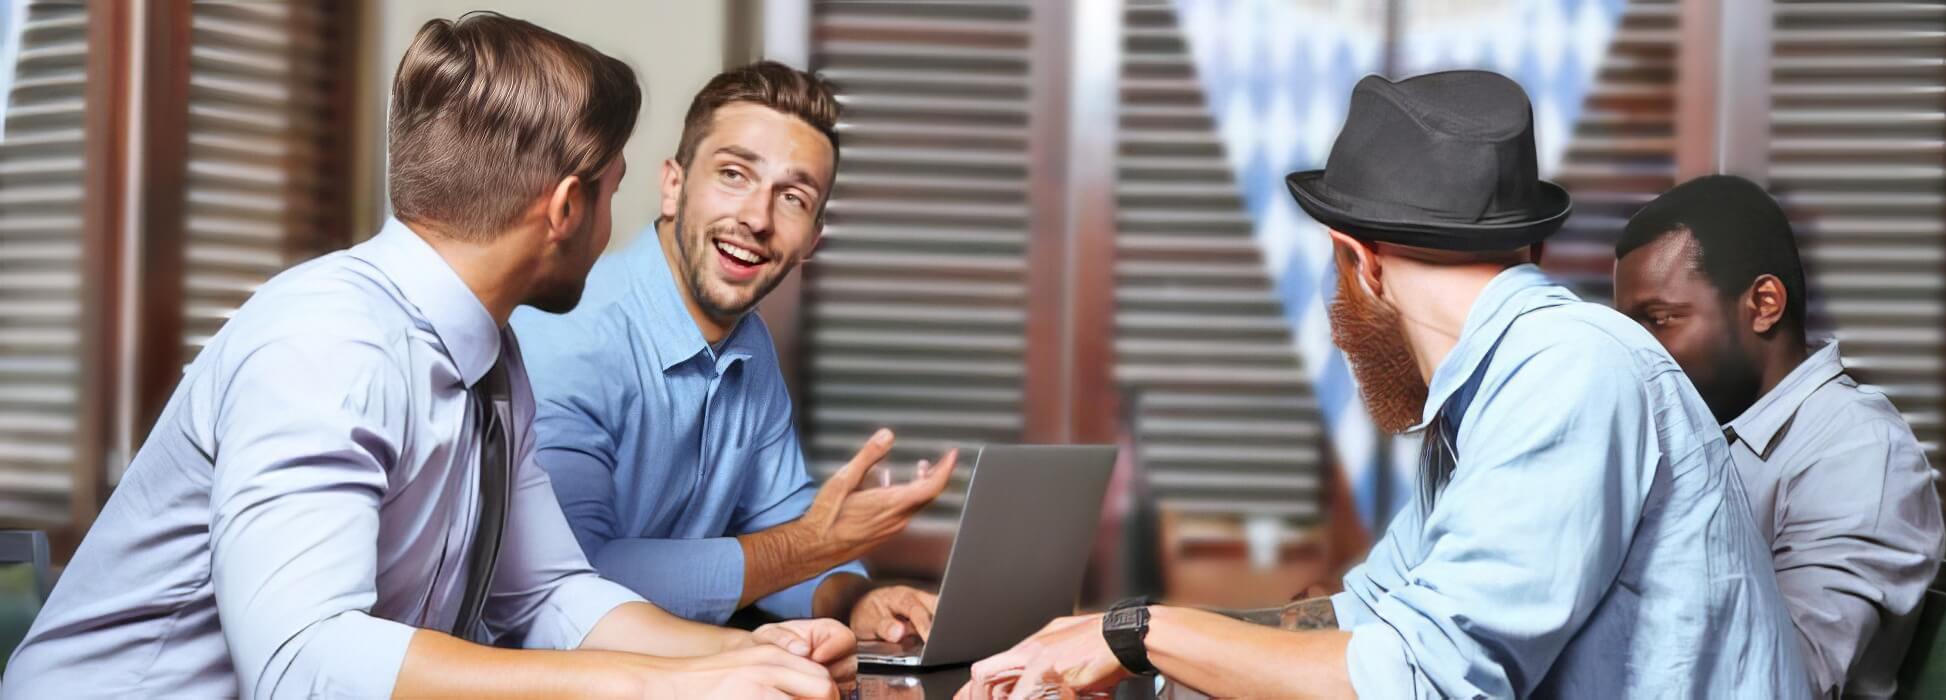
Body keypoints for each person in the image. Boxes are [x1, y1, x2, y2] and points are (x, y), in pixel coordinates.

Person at [2, 14, 851, 699]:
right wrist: (654, 687)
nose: (613, 230)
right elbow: (303, 665)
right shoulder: (328, 342)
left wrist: (744, 658)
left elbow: (550, 592)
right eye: (614, 190)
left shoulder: (494, 357)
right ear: (564, 207)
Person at [963, 71, 1809, 699]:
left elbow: (1421, 681)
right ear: (1527, 250)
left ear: (1359, 263)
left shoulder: (1568, 372)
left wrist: (1144, 633)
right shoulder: (1496, 394)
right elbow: (1364, 617)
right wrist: (1113, 645)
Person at [510, 62, 951, 646]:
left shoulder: (749, 346)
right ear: (674, 186)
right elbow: (574, 581)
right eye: (735, 174)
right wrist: (814, 543)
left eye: (792, 197)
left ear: (812, 241)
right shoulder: (566, 335)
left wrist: (858, 599)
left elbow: (784, 529)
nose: (757, 218)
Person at [1612, 174, 1946, 699]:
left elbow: (1785, 682)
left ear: (1764, 303)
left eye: (1659, 320)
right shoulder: (1699, 431)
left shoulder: (1858, 450)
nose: (1636, 353)